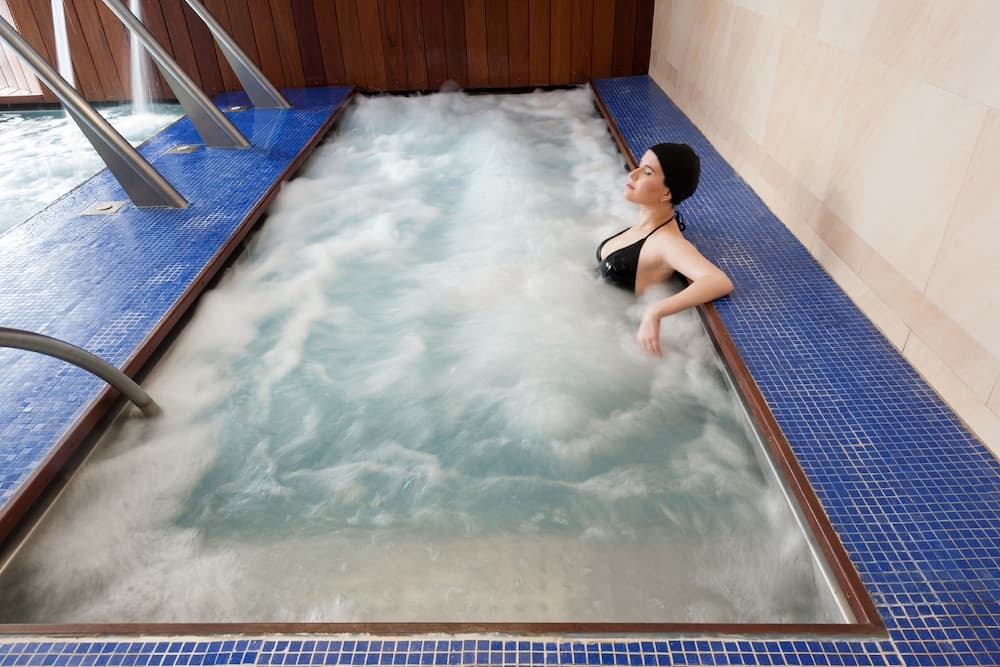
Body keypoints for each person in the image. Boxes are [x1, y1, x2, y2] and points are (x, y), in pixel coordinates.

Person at [597, 143, 733, 356]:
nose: (633, 174)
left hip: (616, 337)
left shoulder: (666, 242)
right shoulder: (645, 225)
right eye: (640, 166)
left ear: (667, 193)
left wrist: (655, 312)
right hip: (596, 318)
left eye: (647, 172)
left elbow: (718, 281)